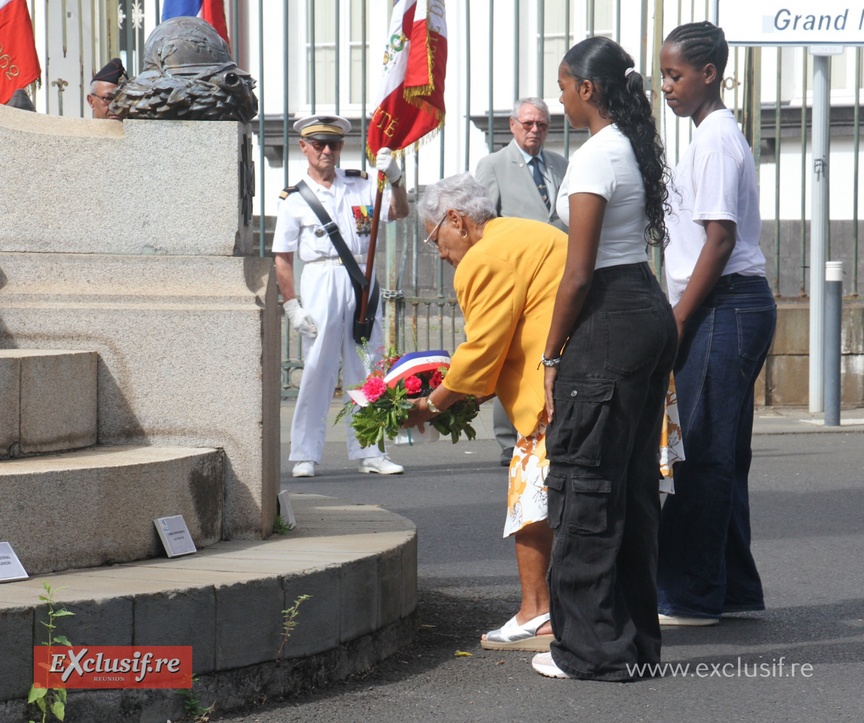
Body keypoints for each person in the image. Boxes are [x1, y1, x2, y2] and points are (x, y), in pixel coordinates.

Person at [533, 37, 677, 681]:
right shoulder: (633, 146)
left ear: (587, 90)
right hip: (646, 311)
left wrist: (550, 352)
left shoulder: (593, 157)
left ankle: (590, 651)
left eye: (564, 86)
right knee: (632, 489)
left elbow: (578, 272)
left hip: (610, 323)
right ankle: (634, 644)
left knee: (586, 487)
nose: (560, 97)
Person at [404, 173, 568, 651]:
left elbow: (482, 350)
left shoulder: (483, 257)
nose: (440, 252)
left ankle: (537, 612)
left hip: (555, 394)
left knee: (531, 499)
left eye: (435, 237)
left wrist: (432, 405)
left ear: (457, 220)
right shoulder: (527, 232)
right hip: (596, 377)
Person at [656, 22, 776, 626]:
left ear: (709, 74)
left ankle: (693, 595)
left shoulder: (715, 141)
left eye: (675, 76)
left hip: (724, 304)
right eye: (663, 76)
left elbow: (720, 239)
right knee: (721, 452)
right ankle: (734, 590)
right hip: (728, 305)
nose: (667, 87)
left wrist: (678, 317)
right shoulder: (710, 135)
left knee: (700, 451)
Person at [273, 114, 410, 477]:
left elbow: (399, 212)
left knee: (367, 366)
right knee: (318, 366)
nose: (327, 151)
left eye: (333, 144)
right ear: (303, 147)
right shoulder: (294, 198)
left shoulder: (362, 185)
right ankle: (304, 454)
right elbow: (282, 260)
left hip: (362, 279)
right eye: (318, 144)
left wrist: (396, 180)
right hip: (321, 278)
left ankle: (371, 450)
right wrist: (291, 306)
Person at [475, 97, 570, 466]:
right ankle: (506, 439)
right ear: (513, 125)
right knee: (511, 353)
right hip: (516, 275)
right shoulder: (494, 165)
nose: (535, 131)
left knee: (547, 351)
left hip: (555, 274)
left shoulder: (560, 165)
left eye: (542, 125)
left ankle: (546, 426)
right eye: (528, 124)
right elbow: (483, 224)